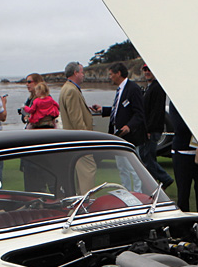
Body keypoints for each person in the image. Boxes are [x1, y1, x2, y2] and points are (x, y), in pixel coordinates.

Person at [103, 62, 145, 191]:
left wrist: (129, 126)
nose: (110, 77)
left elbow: (139, 113)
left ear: (118, 73)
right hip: (118, 135)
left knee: (133, 168)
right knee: (122, 168)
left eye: (111, 74)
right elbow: (119, 110)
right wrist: (102, 110)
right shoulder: (120, 90)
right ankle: (127, 192)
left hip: (129, 137)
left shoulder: (133, 89)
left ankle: (138, 194)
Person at [58, 63, 98, 194]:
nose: (83, 75)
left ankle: (81, 200)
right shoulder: (71, 90)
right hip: (80, 141)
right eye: (82, 72)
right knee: (88, 171)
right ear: (75, 73)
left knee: (81, 174)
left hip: (73, 140)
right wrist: (86, 138)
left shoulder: (67, 88)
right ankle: (86, 203)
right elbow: (76, 119)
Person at [169, 102, 198, 213]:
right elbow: (180, 126)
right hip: (182, 153)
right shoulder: (175, 102)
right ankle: (184, 227)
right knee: (183, 193)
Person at [138, 64, 174, 188]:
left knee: (147, 158)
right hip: (148, 129)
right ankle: (152, 184)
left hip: (151, 130)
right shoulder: (149, 87)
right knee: (146, 157)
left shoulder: (157, 87)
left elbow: (156, 111)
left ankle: (165, 178)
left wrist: (149, 129)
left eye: (149, 69)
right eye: (145, 69)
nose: (147, 72)